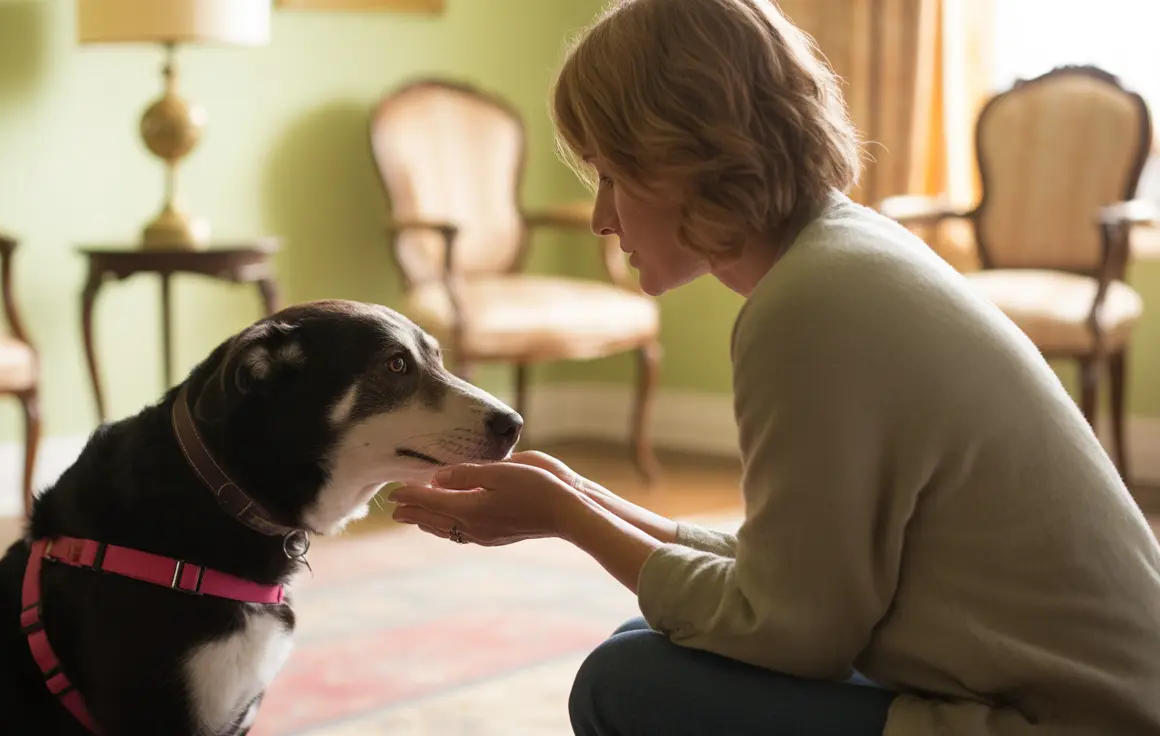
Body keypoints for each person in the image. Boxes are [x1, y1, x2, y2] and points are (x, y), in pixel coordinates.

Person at [389, 0, 1160, 733]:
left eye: (612, 174)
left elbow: (793, 631)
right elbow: (795, 578)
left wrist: (568, 522)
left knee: (628, 685)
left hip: (1062, 723)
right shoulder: (848, 252)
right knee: (650, 643)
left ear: (685, 155)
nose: (601, 215)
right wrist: (579, 496)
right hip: (1094, 700)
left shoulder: (810, 307)